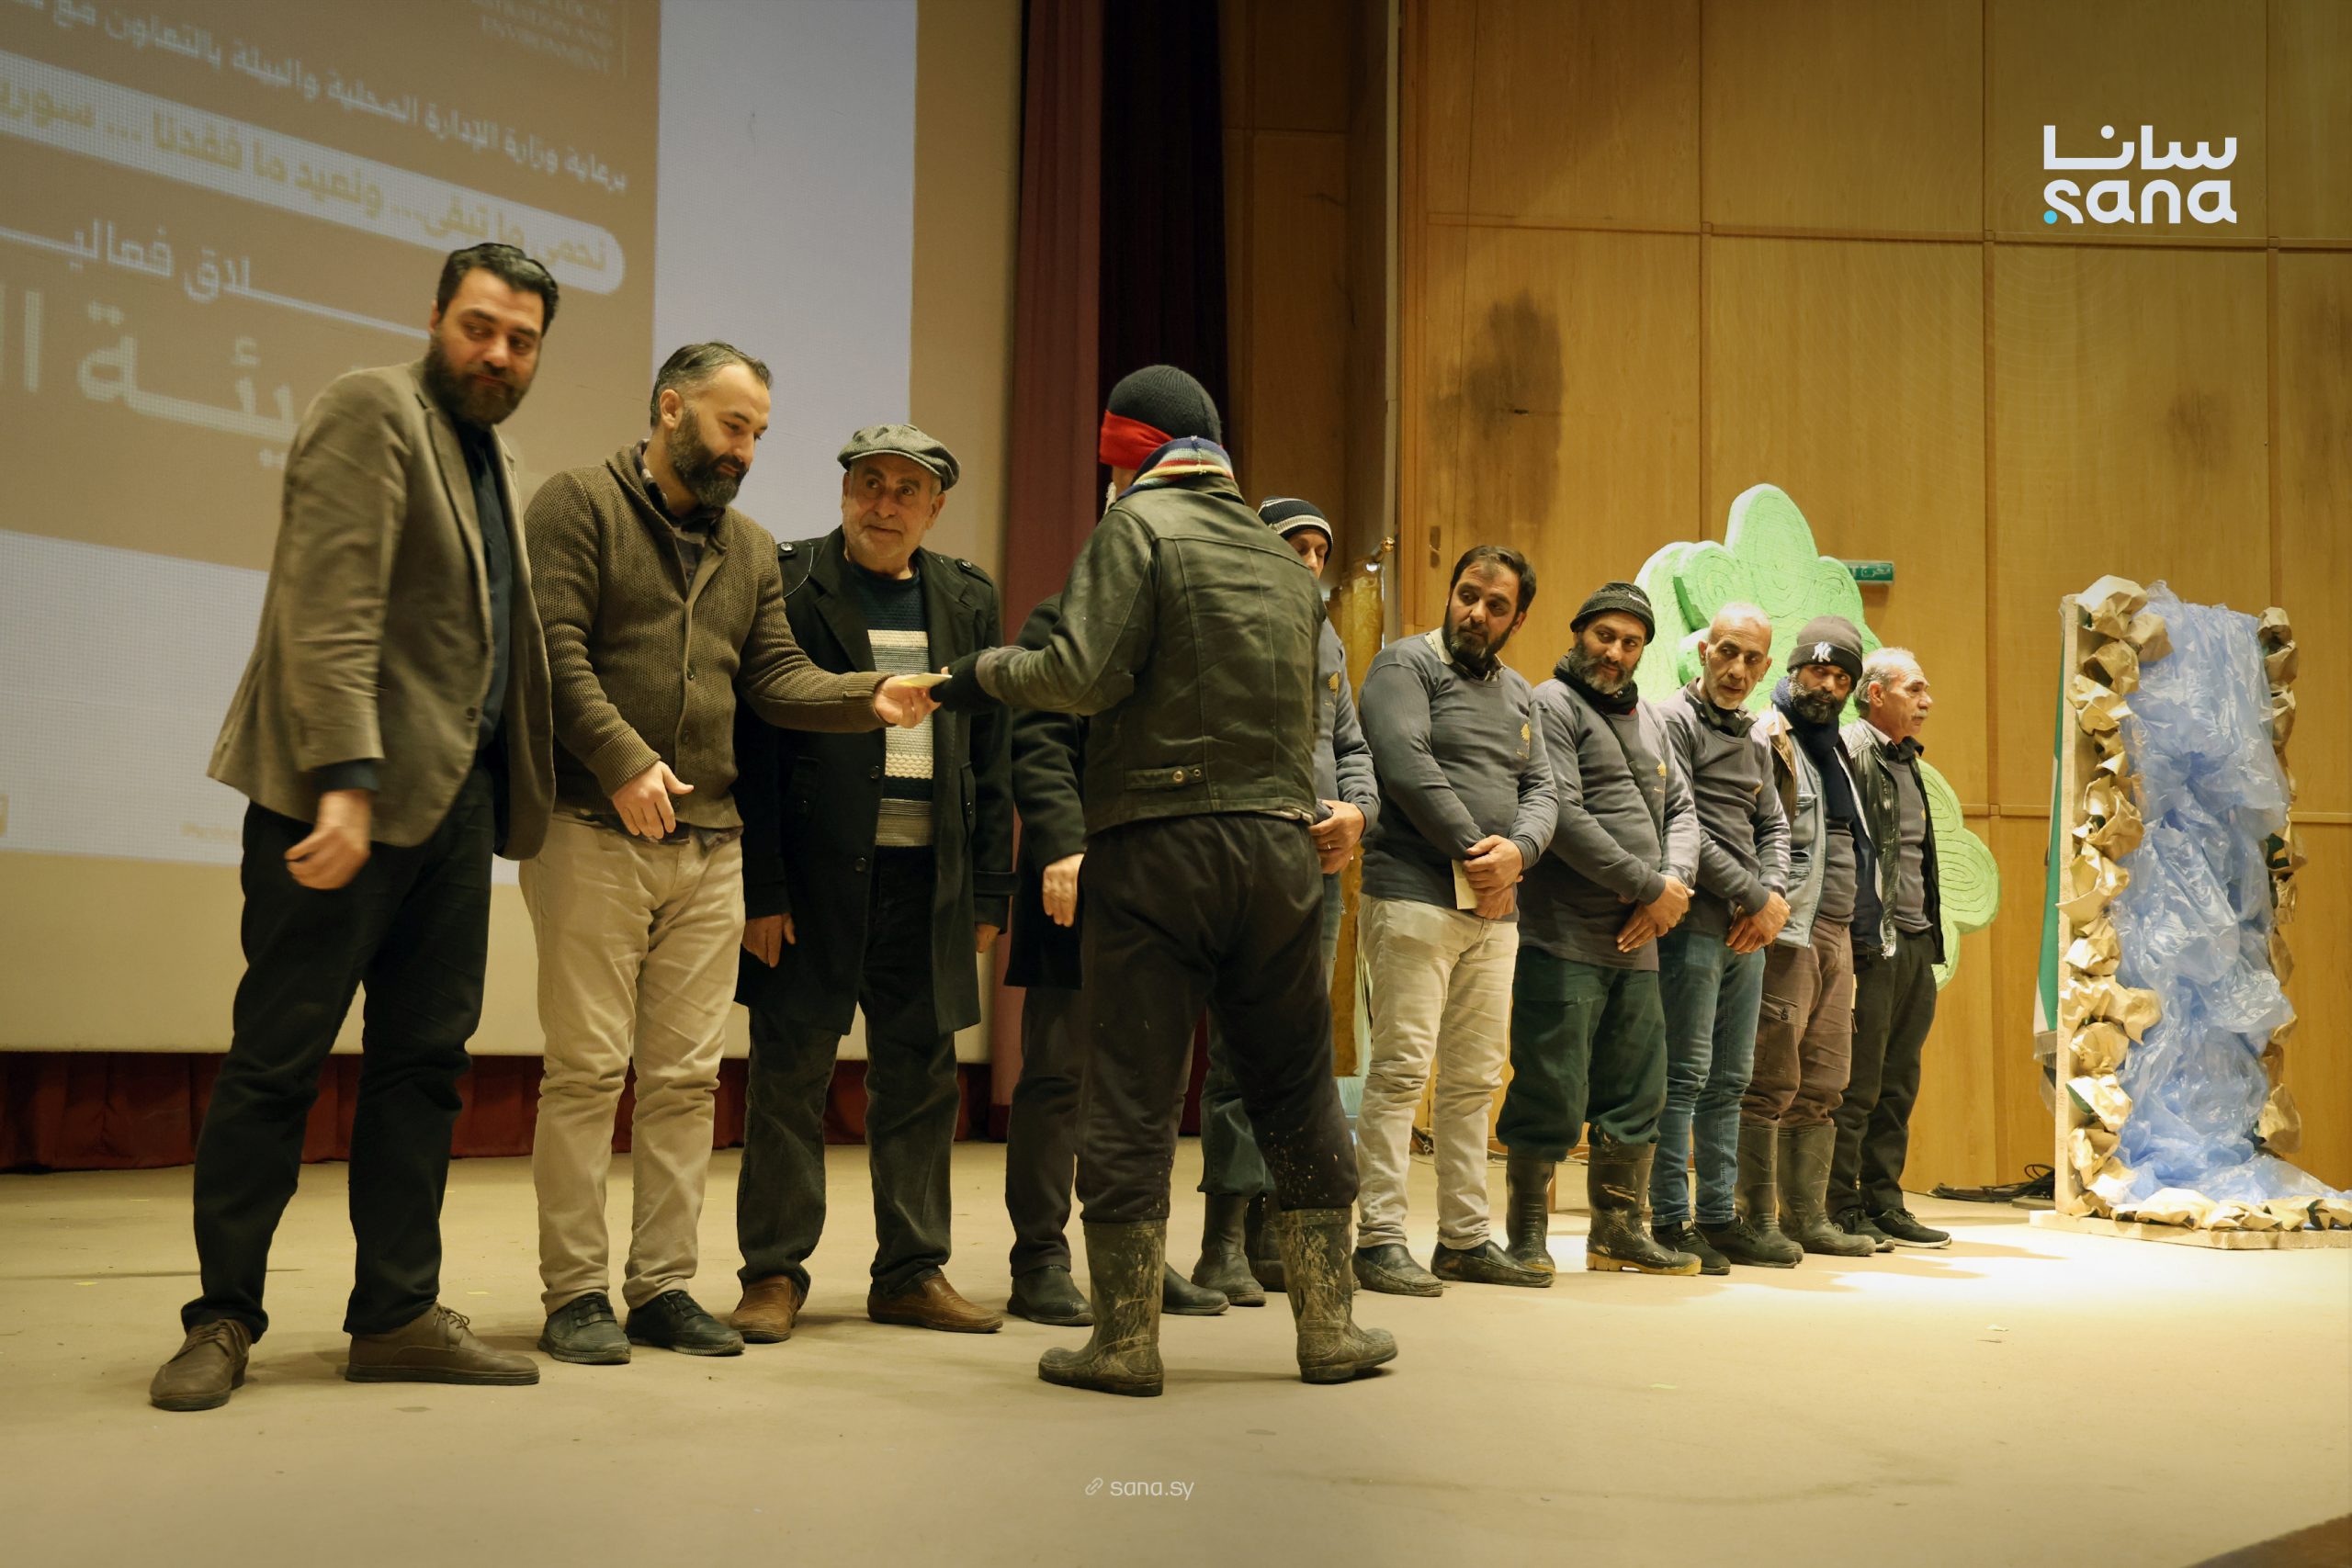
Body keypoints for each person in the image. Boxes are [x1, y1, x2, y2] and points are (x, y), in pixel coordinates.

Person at [153, 243, 561, 1412]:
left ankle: (395, 1314)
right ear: (435, 318)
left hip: (454, 807)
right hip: (341, 799)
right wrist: (344, 780)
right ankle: (222, 1318)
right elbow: (328, 605)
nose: (497, 354)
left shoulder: (496, 453)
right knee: (277, 1063)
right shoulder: (370, 408)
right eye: (479, 327)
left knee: (423, 1069)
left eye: (521, 340)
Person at [936, 364, 1390, 1396]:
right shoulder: (1287, 567)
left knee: (1133, 1092)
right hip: (1280, 854)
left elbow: (1077, 675)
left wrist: (973, 675)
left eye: (1111, 462)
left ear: (1132, 453)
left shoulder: (1134, 530)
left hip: (1157, 848)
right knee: (1297, 1086)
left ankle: (1124, 1342)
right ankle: (1329, 1330)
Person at [521, 344, 936, 1366]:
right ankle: (575, 1293)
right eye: (731, 425)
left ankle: (662, 1286)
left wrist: (866, 697)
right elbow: (551, 651)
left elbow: (776, 676)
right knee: (586, 1071)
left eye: (757, 433)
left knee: (685, 1081)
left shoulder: (748, 548)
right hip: (591, 824)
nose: (745, 449)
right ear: (671, 409)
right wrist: (623, 758)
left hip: (711, 844)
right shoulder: (577, 504)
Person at [728, 425, 1015, 1340]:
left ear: (935, 508)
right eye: (869, 483)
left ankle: (911, 1272)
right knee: (786, 1080)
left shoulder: (968, 595)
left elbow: (990, 751)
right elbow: (755, 743)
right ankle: (773, 1273)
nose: (884, 504)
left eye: (905, 490)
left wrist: (988, 890)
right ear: (845, 491)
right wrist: (761, 889)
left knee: (922, 1081)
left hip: (928, 883)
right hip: (810, 884)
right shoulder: (789, 578)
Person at [996, 593, 1229, 1325]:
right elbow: (1039, 745)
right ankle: (1040, 1259)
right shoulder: (1062, 620)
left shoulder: (1193, 626)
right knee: (1058, 1075)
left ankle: (1135, 1253)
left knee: (1154, 1086)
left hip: (1165, 879)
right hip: (1075, 871)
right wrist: (1064, 844)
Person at [1349, 545, 1555, 1296]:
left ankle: (1464, 1238)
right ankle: (1379, 1238)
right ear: (1451, 593)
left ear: (1517, 619)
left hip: (1495, 912)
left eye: (1497, 605)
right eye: (1469, 594)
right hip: (1413, 893)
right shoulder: (1405, 665)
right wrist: (1480, 857)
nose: (1477, 612)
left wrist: (1520, 852)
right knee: (1402, 1070)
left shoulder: (1522, 693)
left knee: (1474, 1080)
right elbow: (1405, 766)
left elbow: (1545, 790)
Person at [1190, 497, 1379, 1306]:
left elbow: (1351, 744)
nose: (1309, 562)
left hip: (1321, 868)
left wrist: (1357, 813)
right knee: (1239, 1051)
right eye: (1293, 545)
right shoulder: (1222, 620)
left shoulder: (1330, 636)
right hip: (1248, 858)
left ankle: (1276, 1228)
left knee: (1299, 1050)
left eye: (1318, 551)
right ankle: (1221, 1241)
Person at [1498, 581, 1703, 1278]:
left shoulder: (1650, 718)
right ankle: (1526, 1236)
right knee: (1549, 1088)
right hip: (1562, 936)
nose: (1615, 652)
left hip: (1640, 941)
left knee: (1637, 1091)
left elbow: (1683, 812)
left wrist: (1673, 886)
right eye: (1604, 636)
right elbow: (1561, 814)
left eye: (1630, 642)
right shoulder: (1551, 703)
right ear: (1578, 632)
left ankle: (1616, 1232)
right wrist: (1650, 887)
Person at [1649, 604, 1791, 1272]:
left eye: (1751, 658)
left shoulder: (1757, 735)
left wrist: (1772, 899)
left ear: (1765, 667)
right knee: (1683, 1075)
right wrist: (1756, 897)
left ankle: (1716, 1217)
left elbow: (1775, 826)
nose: (1736, 669)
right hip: (1692, 924)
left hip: (1745, 930)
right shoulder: (1669, 722)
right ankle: (1668, 1219)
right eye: (1726, 652)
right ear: (1704, 650)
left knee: (1731, 1079)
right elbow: (1684, 826)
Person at [1744, 619, 1878, 1259]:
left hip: (1836, 932)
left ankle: (1807, 1217)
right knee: (1768, 1077)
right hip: (1787, 930)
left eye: (1841, 677)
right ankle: (1753, 1218)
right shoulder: (1766, 734)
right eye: (1818, 671)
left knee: (1825, 1081)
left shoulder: (1837, 751)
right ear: (1794, 670)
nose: (1827, 685)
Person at [1834, 647, 1951, 1249]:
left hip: (1915, 940)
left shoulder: (1907, 758)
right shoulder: (1853, 750)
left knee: (1899, 1080)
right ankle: (1840, 1205)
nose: (1927, 701)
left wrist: (1928, 936)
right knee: (1859, 1083)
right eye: (1915, 689)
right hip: (1871, 943)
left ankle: (1884, 1200)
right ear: (1876, 693)